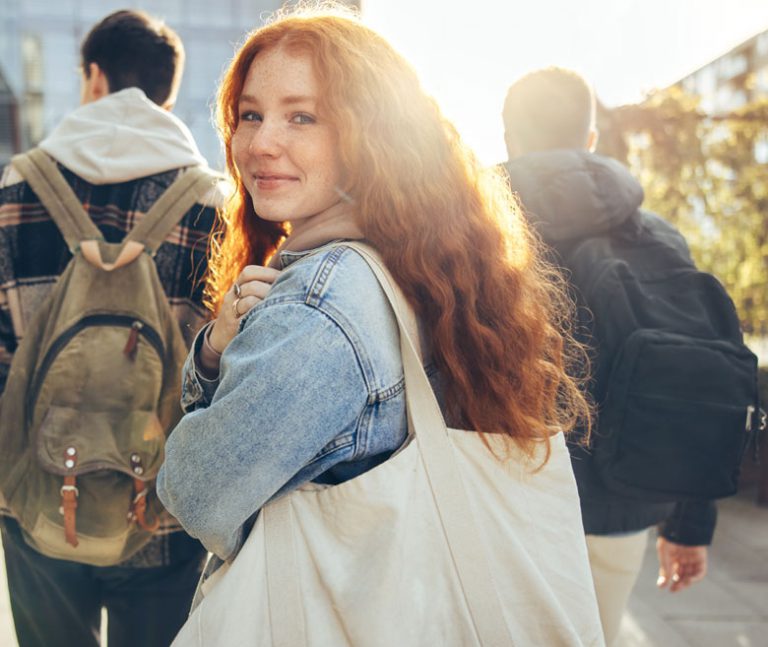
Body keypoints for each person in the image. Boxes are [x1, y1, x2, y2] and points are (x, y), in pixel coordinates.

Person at [156, 6, 600, 644]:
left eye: (302, 116)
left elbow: (196, 492)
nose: (259, 144)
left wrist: (209, 359)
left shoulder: (320, 304)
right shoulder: (422, 262)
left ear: (374, 135)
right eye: (250, 114)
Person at [0, 10, 222, 647]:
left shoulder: (16, 188)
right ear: (168, 93)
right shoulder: (214, 204)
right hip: (159, 511)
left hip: (38, 497)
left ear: (93, 77)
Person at [502, 67, 714, 644]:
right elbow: (695, 377)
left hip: (501, 499)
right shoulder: (660, 237)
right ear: (590, 141)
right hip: (622, 501)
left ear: (509, 140)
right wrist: (690, 522)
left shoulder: (473, 233)